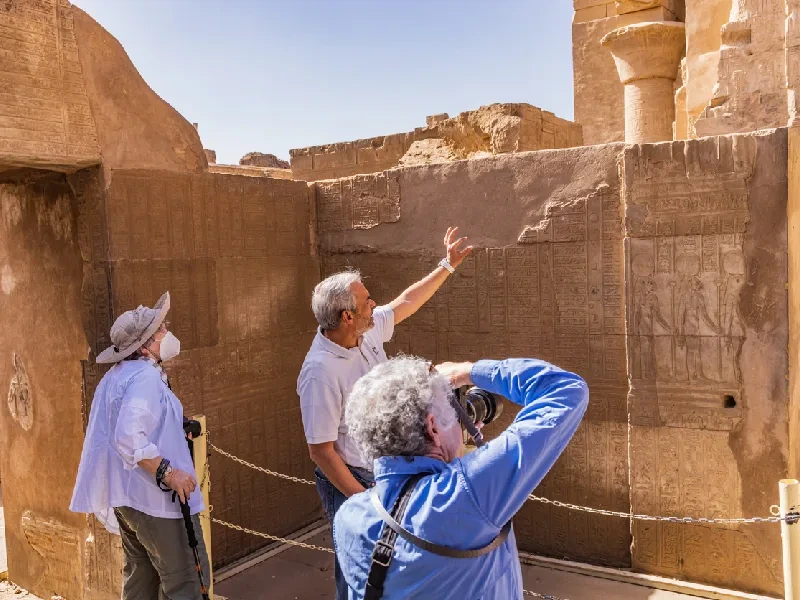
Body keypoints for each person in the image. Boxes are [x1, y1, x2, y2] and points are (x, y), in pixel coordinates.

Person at [297, 227, 472, 600]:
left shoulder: (366, 331)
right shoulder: (320, 372)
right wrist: (363, 499)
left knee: (392, 565)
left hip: (386, 470)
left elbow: (407, 302)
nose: (374, 304)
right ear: (347, 316)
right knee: (358, 563)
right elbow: (322, 451)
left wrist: (447, 265)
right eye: (366, 302)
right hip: (354, 478)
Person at [333, 356, 589, 599]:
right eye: (455, 417)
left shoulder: (348, 517)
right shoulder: (467, 494)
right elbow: (566, 389)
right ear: (433, 429)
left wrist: (457, 455)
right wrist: (465, 371)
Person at [70, 292, 209, 600]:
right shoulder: (144, 377)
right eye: (161, 329)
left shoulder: (118, 376)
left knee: (141, 582)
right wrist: (170, 473)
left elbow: (132, 427)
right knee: (186, 580)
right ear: (146, 345)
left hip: (129, 500)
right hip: (155, 502)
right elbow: (128, 436)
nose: (167, 331)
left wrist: (175, 428)